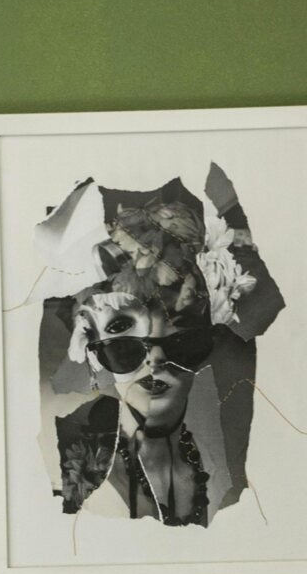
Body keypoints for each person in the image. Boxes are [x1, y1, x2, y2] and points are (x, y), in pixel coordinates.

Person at [34, 168, 285, 527]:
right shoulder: (65, 468)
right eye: (124, 342)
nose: (156, 360)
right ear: (92, 347)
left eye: (183, 342)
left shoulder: (213, 471)